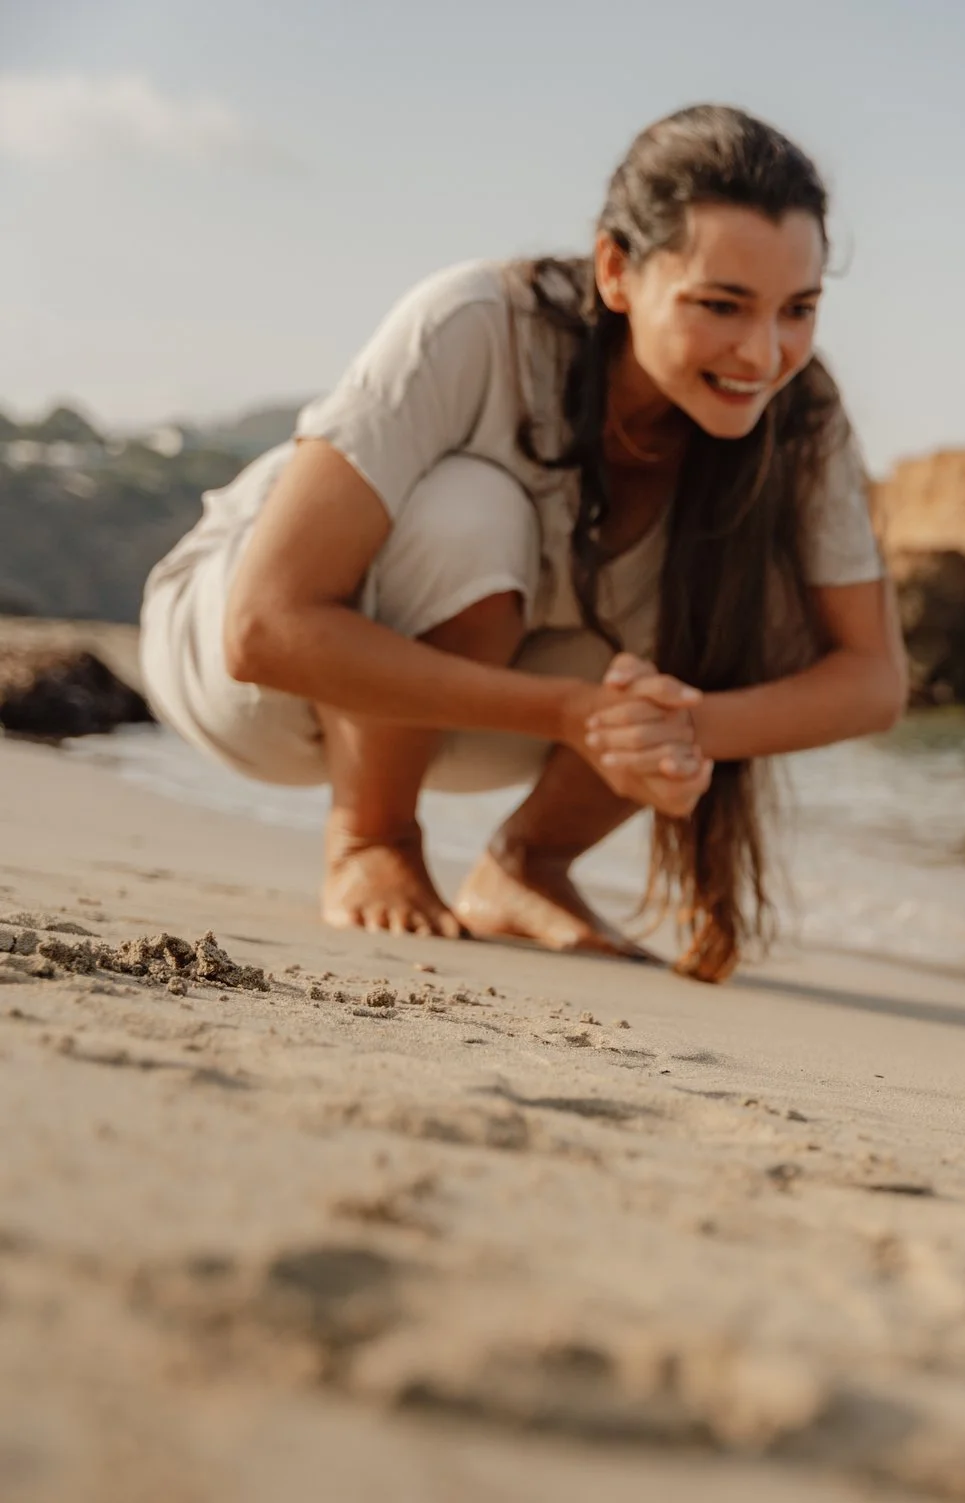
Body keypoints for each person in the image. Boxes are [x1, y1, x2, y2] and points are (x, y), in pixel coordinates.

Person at [139, 105, 905, 980]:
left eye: (797, 309)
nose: (765, 353)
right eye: (721, 305)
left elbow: (873, 680)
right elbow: (263, 629)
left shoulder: (801, 415)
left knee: (759, 586)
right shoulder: (475, 322)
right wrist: (569, 715)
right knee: (471, 509)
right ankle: (371, 835)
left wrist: (672, 730)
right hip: (244, 675)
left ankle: (527, 864)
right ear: (616, 270)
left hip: (459, 708)